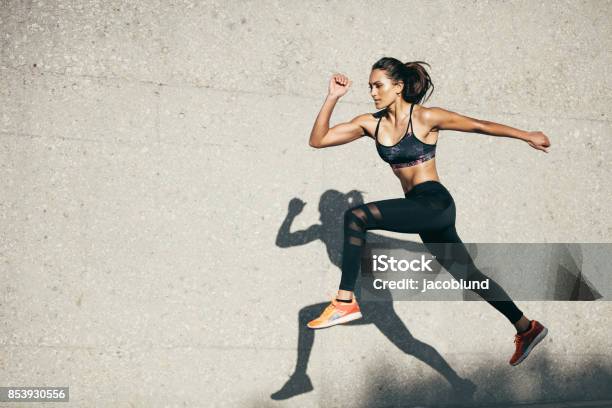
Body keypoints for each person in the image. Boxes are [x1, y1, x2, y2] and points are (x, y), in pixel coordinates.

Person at [306, 57, 551, 366]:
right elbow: (318, 140)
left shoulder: (425, 117)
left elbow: (479, 125)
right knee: (468, 275)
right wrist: (332, 98)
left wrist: (527, 134)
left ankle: (344, 301)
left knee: (357, 217)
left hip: (435, 203)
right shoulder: (370, 123)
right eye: (370, 86)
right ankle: (526, 327)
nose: (372, 92)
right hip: (419, 210)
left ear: (398, 86)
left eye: (378, 85)